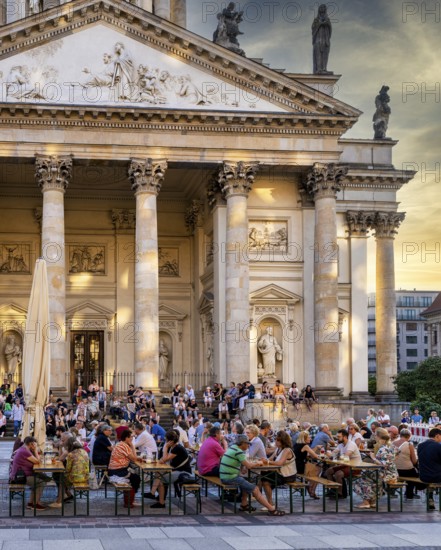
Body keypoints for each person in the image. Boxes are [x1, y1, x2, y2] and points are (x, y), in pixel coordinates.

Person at [219, 434, 285, 515]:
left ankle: (244, 504)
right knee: (255, 489)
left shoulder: (233, 448)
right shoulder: (238, 452)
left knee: (246, 480)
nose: (248, 445)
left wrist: (243, 467)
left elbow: (242, 465)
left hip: (225, 476)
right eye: (247, 444)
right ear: (242, 443)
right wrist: (258, 463)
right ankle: (271, 509)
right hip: (230, 478)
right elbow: (249, 466)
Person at [144, 429, 191, 508]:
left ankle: (161, 502)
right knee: (158, 472)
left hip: (183, 472)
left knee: (161, 478)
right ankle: (153, 493)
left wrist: (165, 447)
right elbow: (162, 460)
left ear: (170, 441)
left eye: (166, 440)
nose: (165, 442)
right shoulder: (173, 447)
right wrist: (166, 450)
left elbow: (164, 460)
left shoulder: (177, 448)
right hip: (176, 470)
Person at [354, 427, 398, 509]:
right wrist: (391, 461)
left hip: (386, 474)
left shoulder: (383, 448)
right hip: (392, 473)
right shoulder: (390, 445)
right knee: (371, 478)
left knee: (362, 479)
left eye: (375, 435)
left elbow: (383, 464)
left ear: (378, 436)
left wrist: (373, 458)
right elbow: (397, 453)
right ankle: (372, 501)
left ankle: (366, 502)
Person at [10, 436, 49, 510]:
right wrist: (35, 451)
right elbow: (37, 461)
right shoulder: (24, 451)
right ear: (31, 444)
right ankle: (35, 504)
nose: (35, 445)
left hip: (22, 475)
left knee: (42, 478)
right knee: (41, 482)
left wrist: (35, 452)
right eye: (35, 444)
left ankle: (31, 503)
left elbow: (37, 460)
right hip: (20, 477)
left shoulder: (24, 449)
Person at [261, 430, 297, 507]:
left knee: (264, 480)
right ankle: (267, 502)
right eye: (276, 439)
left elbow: (280, 463)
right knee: (262, 477)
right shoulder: (278, 449)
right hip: (281, 473)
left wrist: (266, 462)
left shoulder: (287, 450)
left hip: (288, 475)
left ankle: (269, 504)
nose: (276, 441)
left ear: (283, 441)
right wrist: (264, 460)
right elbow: (270, 459)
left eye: (278, 440)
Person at [108, 429, 140, 508]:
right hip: (117, 471)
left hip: (114, 469)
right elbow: (134, 459)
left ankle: (130, 498)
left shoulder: (120, 444)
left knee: (134, 476)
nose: (132, 439)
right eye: (131, 437)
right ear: (126, 438)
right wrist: (132, 446)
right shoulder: (124, 446)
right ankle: (130, 500)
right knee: (136, 478)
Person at [325, 429, 361, 498]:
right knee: (328, 471)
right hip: (345, 465)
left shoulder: (351, 444)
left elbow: (346, 456)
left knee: (338, 473)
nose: (337, 438)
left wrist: (334, 456)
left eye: (339, 437)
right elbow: (333, 454)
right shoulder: (341, 445)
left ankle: (340, 493)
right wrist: (329, 454)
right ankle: (333, 490)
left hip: (355, 466)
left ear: (344, 437)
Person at [394, 428, 425, 500]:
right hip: (406, 470)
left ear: (400, 435)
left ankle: (408, 493)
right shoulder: (409, 444)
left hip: (395, 469)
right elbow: (414, 461)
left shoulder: (393, 443)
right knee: (414, 473)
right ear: (409, 436)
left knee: (412, 472)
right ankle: (409, 493)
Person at [415, 427, 441, 510]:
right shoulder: (438, 446)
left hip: (423, 475)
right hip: (436, 476)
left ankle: (430, 498)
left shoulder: (420, 445)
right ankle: (430, 498)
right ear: (437, 436)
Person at [293, 431, 321, 499]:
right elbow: (315, 456)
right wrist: (323, 456)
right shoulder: (305, 446)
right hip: (300, 467)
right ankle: (312, 490)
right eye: (309, 437)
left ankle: (310, 487)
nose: (310, 439)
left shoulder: (296, 444)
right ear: (304, 438)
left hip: (295, 466)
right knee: (318, 469)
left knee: (315, 469)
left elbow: (309, 454)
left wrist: (316, 447)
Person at [312, 4, 332, 74]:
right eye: (321, 7)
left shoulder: (327, 19)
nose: (322, 8)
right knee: (318, 54)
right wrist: (320, 24)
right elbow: (313, 28)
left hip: (326, 40)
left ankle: (324, 69)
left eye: (323, 7)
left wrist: (326, 24)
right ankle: (319, 69)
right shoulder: (316, 20)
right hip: (318, 40)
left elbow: (330, 29)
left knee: (325, 54)